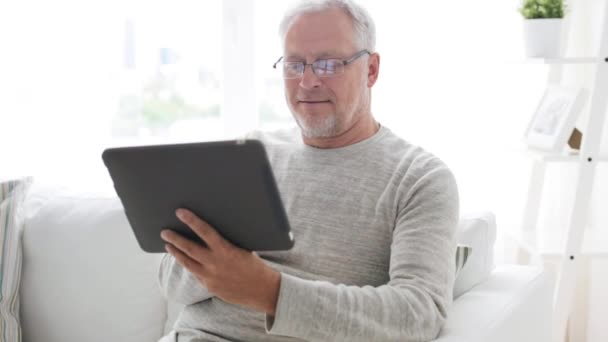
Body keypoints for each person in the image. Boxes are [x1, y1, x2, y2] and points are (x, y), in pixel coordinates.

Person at [158, 0, 459, 341]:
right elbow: (173, 290)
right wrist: (215, 262)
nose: (308, 81)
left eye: (329, 64)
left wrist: (269, 291)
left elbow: (419, 314)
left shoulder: (419, 178)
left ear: (371, 70)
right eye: (295, 64)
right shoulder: (249, 155)